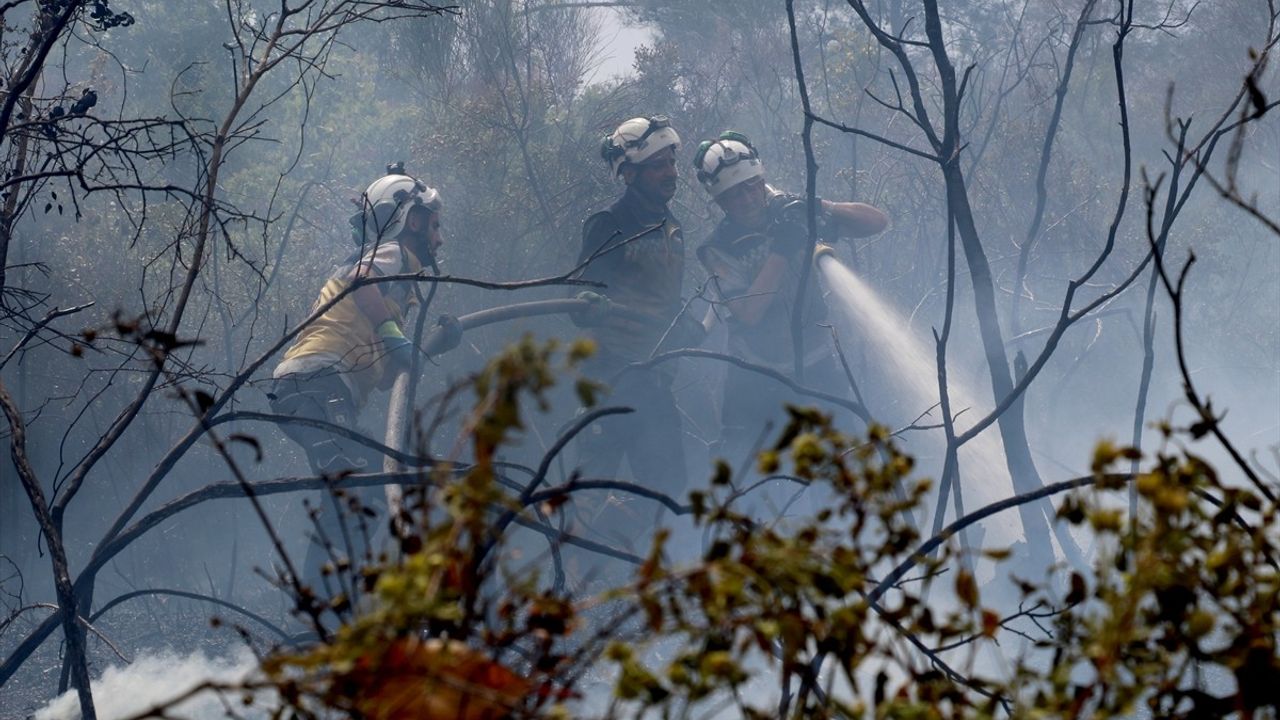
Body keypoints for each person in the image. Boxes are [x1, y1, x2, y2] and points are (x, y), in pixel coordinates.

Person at [269, 168, 456, 582]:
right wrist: (391, 332)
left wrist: (432, 345)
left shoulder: (399, 288)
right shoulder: (391, 255)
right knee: (358, 488)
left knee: (362, 489)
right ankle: (322, 604)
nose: (440, 239)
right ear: (413, 220)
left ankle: (328, 600)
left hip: (320, 389)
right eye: (436, 226)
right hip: (315, 382)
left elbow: (387, 376)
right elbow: (362, 280)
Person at [692, 131, 888, 462]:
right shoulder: (717, 248)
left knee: (844, 470)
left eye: (752, 186)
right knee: (752, 478)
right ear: (721, 202)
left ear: (762, 180)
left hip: (818, 369)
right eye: (735, 194)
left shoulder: (790, 213)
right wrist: (782, 249)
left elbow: (876, 222)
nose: (748, 198)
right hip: (756, 380)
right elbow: (749, 313)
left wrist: (815, 205)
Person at [571, 116, 704, 542]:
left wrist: (684, 324)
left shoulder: (672, 228)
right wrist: (589, 302)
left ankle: (614, 552)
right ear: (629, 173)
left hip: (653, 377)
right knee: (590, 492)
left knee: (667, 487)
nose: (670, 173)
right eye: (657, 165)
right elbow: (579, 298)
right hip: (610, 376)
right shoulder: (608, 222)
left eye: (671, 162)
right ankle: (575, 564)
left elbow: (664, 299)